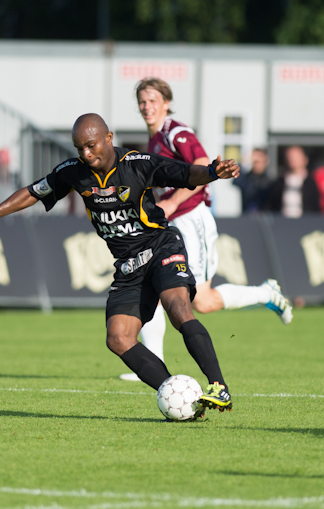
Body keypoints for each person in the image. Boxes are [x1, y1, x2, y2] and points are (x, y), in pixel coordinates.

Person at [0, 113, 241, 414]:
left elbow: (184, 174)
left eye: (91, 145)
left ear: (108, 138)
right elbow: (33, 192)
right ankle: (177, 394)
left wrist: (212, 172)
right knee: (118, 337)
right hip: (129, 264)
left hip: (160, 246)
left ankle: (218, 387)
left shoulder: (137, 163)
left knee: (178, 308)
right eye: (79, 148)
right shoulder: (74, 172)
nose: (86, 154)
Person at [122, 78, 292, 382]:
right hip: (170, 224)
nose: (146, 106)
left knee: (203, 301)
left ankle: (266, 293)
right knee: (154, 288)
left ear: (166, 102)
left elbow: (201, 165)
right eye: (142, 101)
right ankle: (152, 362)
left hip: (192, 218)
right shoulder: (153, 140)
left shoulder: (176, 131)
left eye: (152, 100)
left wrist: (173, 201)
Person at [264, 145, 321, 217]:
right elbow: (271, 206)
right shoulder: (278, 183)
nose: (292, 160)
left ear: (305, 159)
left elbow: (316, 207)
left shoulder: (311, 183)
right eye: (289, 157)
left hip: (306, 224)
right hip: (283, 224)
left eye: (295, 157)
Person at [234, 148, 273, 213]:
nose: (256, 164)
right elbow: (236, 181)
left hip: (265, 218)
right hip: (247, 217)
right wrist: (243, 163)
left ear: (265, 161)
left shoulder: (270, 181)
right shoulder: (247, 178)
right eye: (254, 161)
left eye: (258, 161)